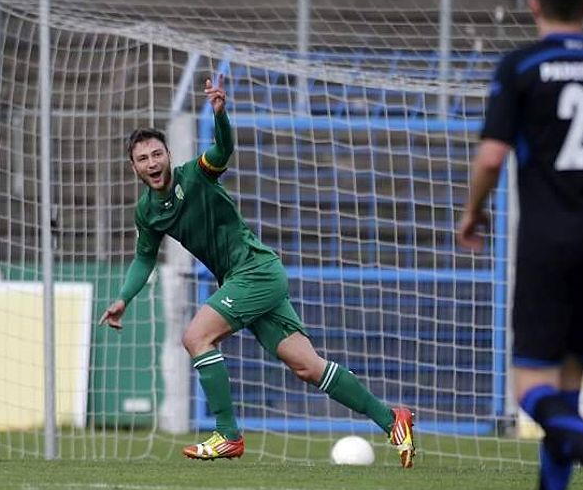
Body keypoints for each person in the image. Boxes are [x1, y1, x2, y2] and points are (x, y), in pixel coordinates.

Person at [99, 75, 415, 466]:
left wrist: (220, 115)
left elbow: (223, 149)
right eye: (144, 159)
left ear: (168, 155)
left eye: (157, 154)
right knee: (307, 366)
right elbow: (145, 257)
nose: (152, 163)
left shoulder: (196, 174)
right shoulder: (146, 211)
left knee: (196, 337)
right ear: (134, 168)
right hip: (247, 279)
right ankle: (393, 420)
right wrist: (123, 299)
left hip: (254, 271)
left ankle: (228, 435)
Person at [457, 0, 583, 490]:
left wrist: (473, 211)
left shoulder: (523, 65)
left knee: (530, 389)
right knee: (566, 391)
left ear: (533, 5)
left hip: (551, 239)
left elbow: (491, 158)